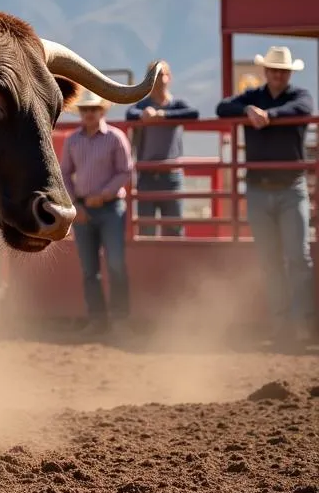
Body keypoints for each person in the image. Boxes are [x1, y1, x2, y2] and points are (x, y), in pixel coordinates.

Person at [216, 46, 315, 345]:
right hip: (261, 189)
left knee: (298, 258)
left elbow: (302, 109)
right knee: (271, 260)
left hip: (289, 188)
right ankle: (282, 325)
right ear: (266, 72)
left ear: (288, 73)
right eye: (273, 70)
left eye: (282, 71)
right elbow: (223, 108)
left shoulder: (299, 96)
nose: (277, 75)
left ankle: (300, 323)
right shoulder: (252, 98)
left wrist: (267, 115)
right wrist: (248, 111)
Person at [61, 89, 134, 333]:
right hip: (83, 210)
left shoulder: (115, 138)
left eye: (93, 109)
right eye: (85, 110)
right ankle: (98, 320)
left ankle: (120, 319)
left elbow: (125, 171)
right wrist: (76, 205)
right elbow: (64, 175)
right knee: (89, 269)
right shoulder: (73, 140)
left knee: (115, 264)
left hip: (110, 208)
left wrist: (103, 194)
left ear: (101, 111)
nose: (89, 114)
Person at [125, 61, 199, 236]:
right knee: (146, 230)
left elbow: (193, 113)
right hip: (147, 174)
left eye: (162, 74)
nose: (159, 80)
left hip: (171, 175)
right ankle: (148, 264)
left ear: (169, 78)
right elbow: (130, 114)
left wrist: (163, 115)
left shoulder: (175, 104)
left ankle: (175, 264)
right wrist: (144, 115)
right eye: (154, 76)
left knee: (174, 228)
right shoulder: (143, 106)